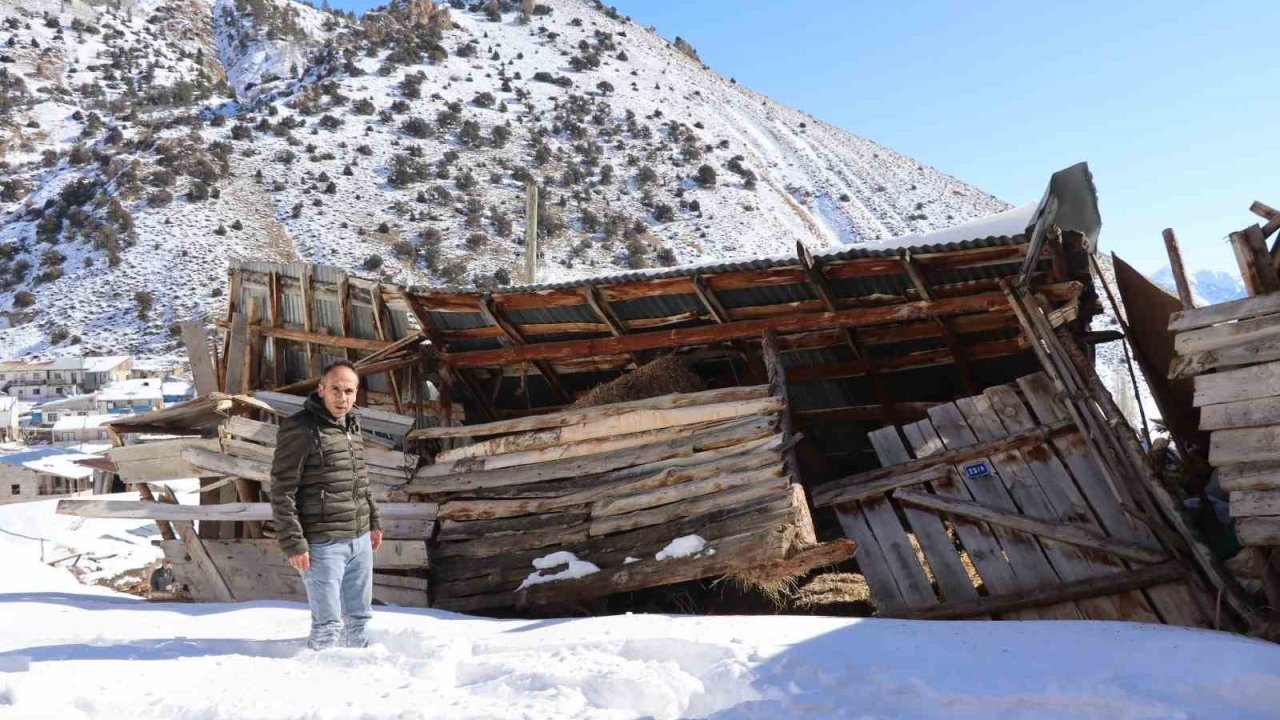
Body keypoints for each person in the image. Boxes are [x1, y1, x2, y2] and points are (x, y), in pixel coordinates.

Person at [270, 360, 383, 650]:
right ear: (321, 389)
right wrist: (293, 542)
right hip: (323, 542)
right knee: (328, 627)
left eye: (349, 390)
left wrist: (373, 522)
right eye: (335, 389)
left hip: (358, 539)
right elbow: (282, 490)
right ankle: (319, 679)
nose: (342, 397)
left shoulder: (351, 426)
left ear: (356, 394)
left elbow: (361, 479)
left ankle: (359, 682)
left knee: (358, 621)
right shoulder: (300, 428)